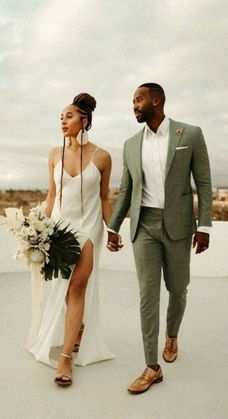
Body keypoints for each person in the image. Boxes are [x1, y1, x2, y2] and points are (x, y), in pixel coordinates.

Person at [107, 83, 212, 394]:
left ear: (157, 100)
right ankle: (152, 366)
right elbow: (126, 191)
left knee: (178, 289)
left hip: (179, 225)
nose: (134, 106)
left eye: (139, 100)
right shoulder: (129, 144)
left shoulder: (189, 134)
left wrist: (204, 226)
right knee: (147, 295)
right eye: (133, 101)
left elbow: (204, 184)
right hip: (144, 227)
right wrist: (113, 227)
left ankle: (172, 333)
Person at [27, 93, 115, 386]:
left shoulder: (102, 156)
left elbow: (104, 198)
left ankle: (65, 359)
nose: (63, 121)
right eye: (61, 117)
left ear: (84, 120)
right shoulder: (54, 154)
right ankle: (76, 329)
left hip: (89, 228)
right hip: (58, 228)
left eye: (69, 116)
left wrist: (113, 228)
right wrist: (38, 230)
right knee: (64, 290)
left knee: (77, 287)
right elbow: (52, 195)